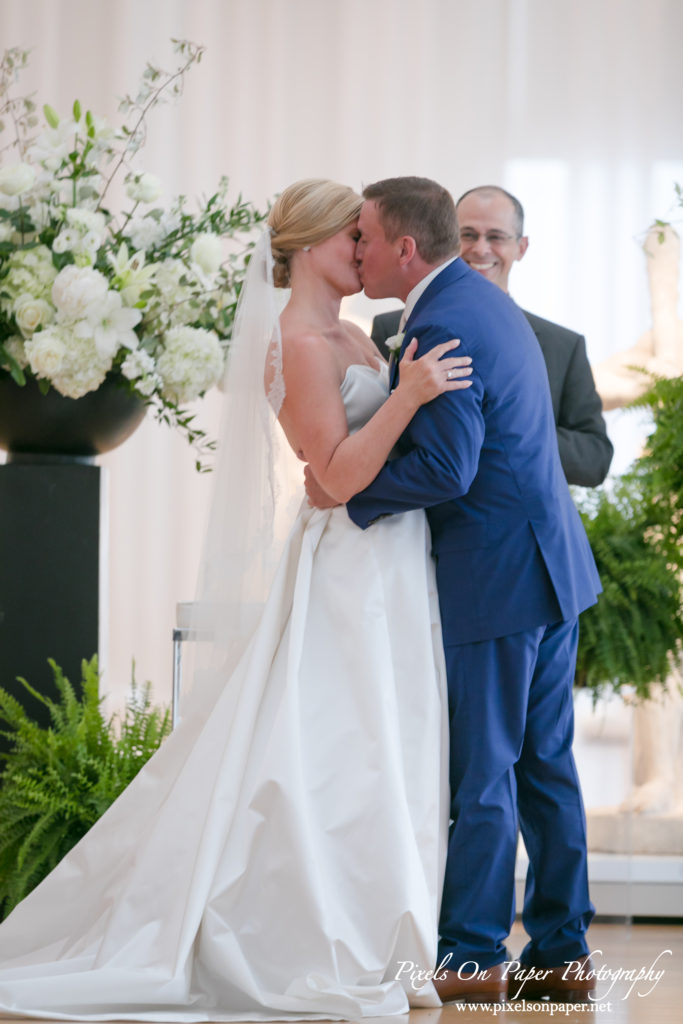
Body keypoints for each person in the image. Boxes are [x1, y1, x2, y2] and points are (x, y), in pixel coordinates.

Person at [0, 180, 474, 1020]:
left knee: (392, 741)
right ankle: (323, 936)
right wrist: (406, 396)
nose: (363, 251)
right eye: (351, 237)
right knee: (340, 746)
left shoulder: (359, 333)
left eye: (365, 238)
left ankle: (387, 927)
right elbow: (330, 480)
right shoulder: (295, 340)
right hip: (349, 568)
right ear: (312, 246)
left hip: (399, 560)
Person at [306, 177, 602, 1003]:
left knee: (482, 771)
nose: (356, 250)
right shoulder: (479, 300)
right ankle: (560, 951)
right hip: (549, 569)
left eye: (364, 237)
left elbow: (446, 467)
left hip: (498, 579)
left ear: (404, 248)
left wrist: (345, 491)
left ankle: (471, 957)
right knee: (543, 766)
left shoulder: (441, 319)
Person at [371, 184, 613, 488]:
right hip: (412, 520)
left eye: (496, 237)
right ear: (447, 239)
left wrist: (505, 427)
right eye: (468, 235)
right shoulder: (391, 328)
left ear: (521, 248)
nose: (480, 249)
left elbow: (595, 460)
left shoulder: (563, 346)